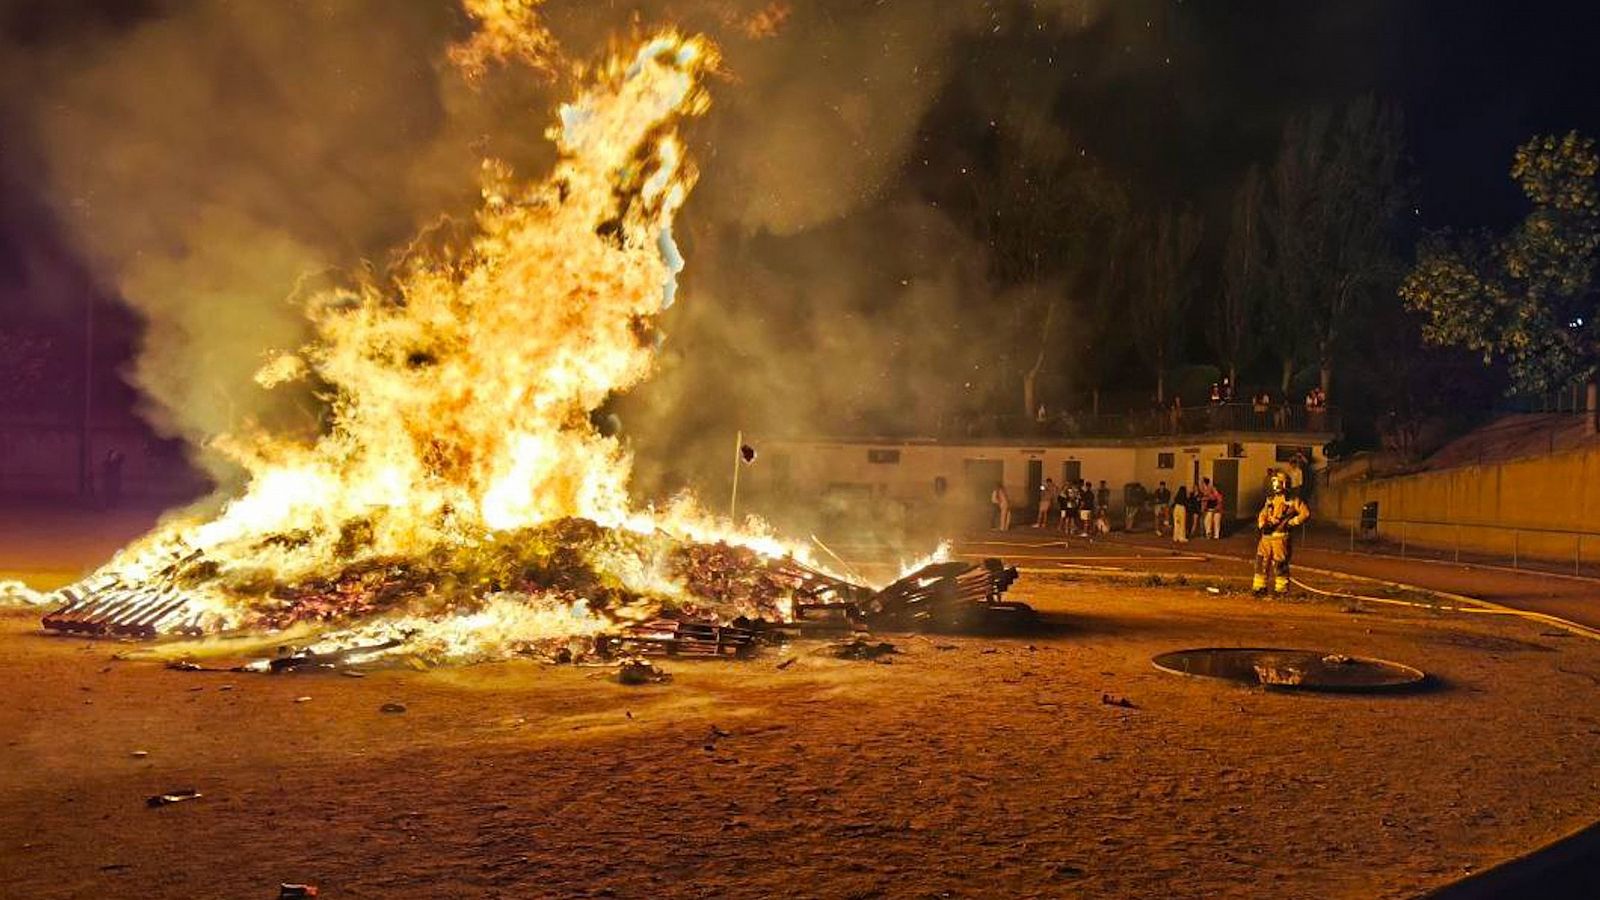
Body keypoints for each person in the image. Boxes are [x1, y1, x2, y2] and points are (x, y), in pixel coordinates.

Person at [1254, 470, 1311, 594]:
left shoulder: (1293, 501)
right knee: (1261, 562)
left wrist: (1292, 522)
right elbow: (1263, 513)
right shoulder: (1270, 499)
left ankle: (1281, 589)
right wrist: (1263, 523)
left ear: (1284, 484)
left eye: (1277, 482)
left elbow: (1305, 513)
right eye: (1274, 482)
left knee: (1280, 564)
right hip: (1266, 537)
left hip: (1280, 537)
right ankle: (1259, 587)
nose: (1275, 485)